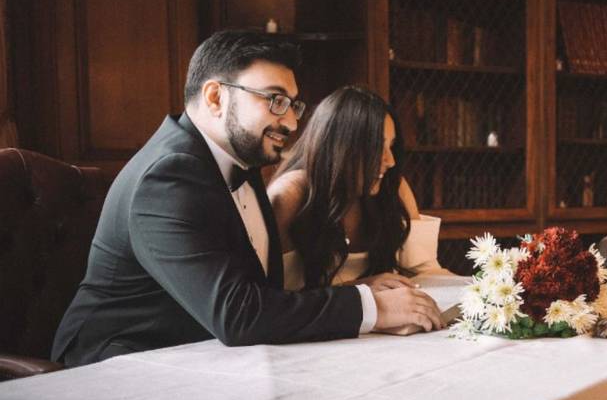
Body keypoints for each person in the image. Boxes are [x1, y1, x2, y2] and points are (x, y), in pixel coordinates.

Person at [52, 30, 442, 367]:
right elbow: (238, 315)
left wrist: (360, 291)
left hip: (204, 357)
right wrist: (373, 309)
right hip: (113, 364)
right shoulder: (167, 176)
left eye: (292, 104)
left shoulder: (243, 166)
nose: (290, 122)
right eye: (274, 100)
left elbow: (263, 300)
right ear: (215, 97)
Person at [267, 85, 447, 292]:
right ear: (340, 148)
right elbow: (274, 301)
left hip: (388, 320)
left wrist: (484, 288)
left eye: (391, 146)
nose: (391, 161)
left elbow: (425, 271)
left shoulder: (393, 187)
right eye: (377, 147)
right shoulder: (289, 195)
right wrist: (359, 289)